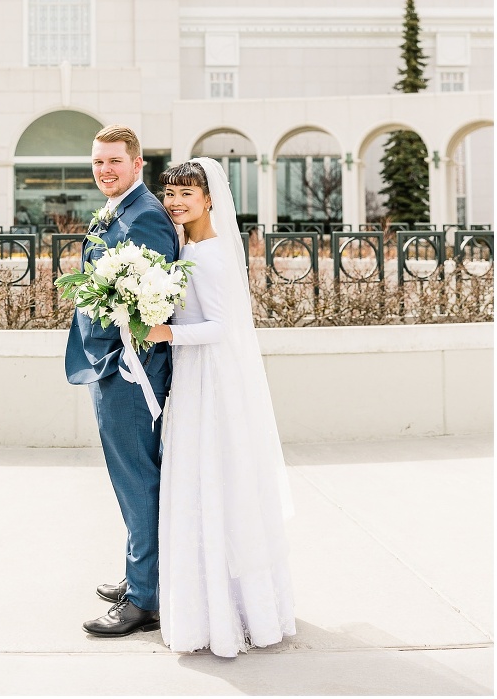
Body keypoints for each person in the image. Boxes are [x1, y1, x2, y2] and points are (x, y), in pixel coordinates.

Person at [144, 158, 296, 657]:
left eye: (187, 193)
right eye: (170, 193)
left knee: (209, 480)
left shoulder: (209, 255)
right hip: (193, 377)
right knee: (197, 483)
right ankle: (212, 603)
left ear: (210, 198)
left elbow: (221, 327)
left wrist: (166, 332)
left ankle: (225, 610)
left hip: (209, 378)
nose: (176, 201)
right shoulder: (188, 246)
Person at [65, 125, 180, 637]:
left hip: (129, 371)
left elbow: (156, 302)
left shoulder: (146, 218)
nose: (104, 170)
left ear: (138, 164)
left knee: (137, 480)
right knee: (130, 479)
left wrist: (116, 360)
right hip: (110, 365)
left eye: (114, 161)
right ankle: (142, 574)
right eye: (98, 162)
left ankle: (144, 599)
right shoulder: (119, 211)